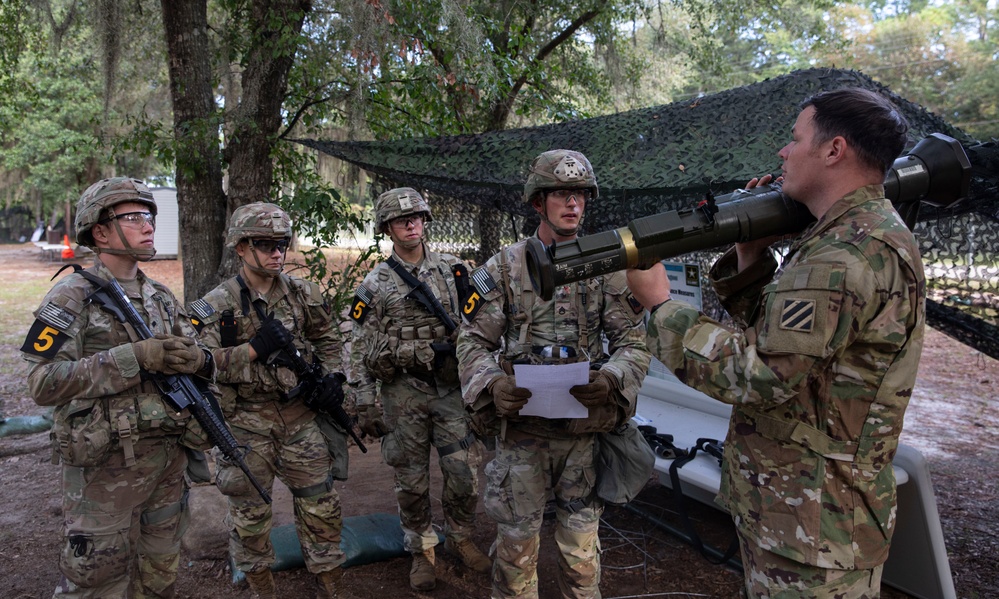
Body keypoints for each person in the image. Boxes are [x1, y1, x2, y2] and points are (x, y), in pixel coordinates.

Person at [627, 87, 924, 598]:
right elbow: (803, 353)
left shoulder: (845, 254)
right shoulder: (848, 236)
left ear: (834, 150)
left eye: (794, 139)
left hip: (816, 525)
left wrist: (662, 309)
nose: (783, 153)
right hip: (800, 513)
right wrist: (751, 257)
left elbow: (759, 374)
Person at [456, 150, 651, 599]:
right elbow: (471, 341)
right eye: (562, 194)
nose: (573, 204)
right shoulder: (504, 266)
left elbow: (633, 344)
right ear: (537, 202)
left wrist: (612, 379)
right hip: (522, 438)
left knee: (582, 560)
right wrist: (492, 384)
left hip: (582, 437)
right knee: (515, 554)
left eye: (581, 195)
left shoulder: (606, 265)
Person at [21, 177, 214, 598]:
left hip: (166, 464)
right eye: (134, 217)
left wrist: (198, 360)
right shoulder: (71, 298)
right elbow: (41, 381)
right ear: (101, 231)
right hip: (105, 475)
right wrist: (135, 358)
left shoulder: (161, 297)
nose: (149, 225)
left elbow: (198, 359)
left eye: (150, 216)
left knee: (160, 576)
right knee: (99, 584)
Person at [189, 203, 346, 599]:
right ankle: (262, 590)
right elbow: (200, 366)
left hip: (299, 420)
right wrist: (254, 351)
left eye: (282, 243)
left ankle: (330, 585)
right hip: (244, 424)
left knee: (321, 508)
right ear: (240, 248)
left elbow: (329, 339)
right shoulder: (215, 306)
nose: (277, 252)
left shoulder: (303, 293)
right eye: (265, 244)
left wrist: (332, 379)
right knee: (250, 518)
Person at [347, 187, 490, 591]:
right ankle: (422, 551)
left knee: (462, 474)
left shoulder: (454, 270)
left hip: (449, 391)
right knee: (411, 482)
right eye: (400, 220)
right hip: (402, 394)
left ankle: (460, 537)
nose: (410, 224)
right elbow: (360, 347)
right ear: (388, 228)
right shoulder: (375, 283)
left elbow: (483, 324)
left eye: (416, 217)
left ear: (425, 221)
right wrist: (363, 400)